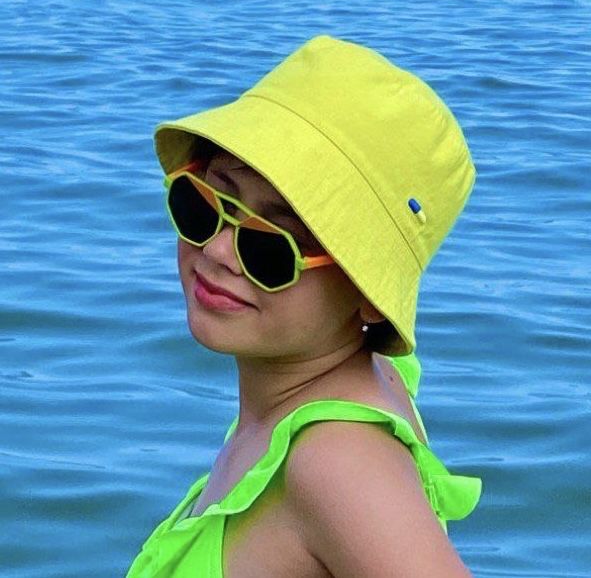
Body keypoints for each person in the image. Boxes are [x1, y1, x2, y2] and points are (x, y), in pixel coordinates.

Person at [126, 34, 482, 577]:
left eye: (273, 247)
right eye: (205, 206)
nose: (218, 250)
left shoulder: (336, 464)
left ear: (369, 296)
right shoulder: (356, 378)